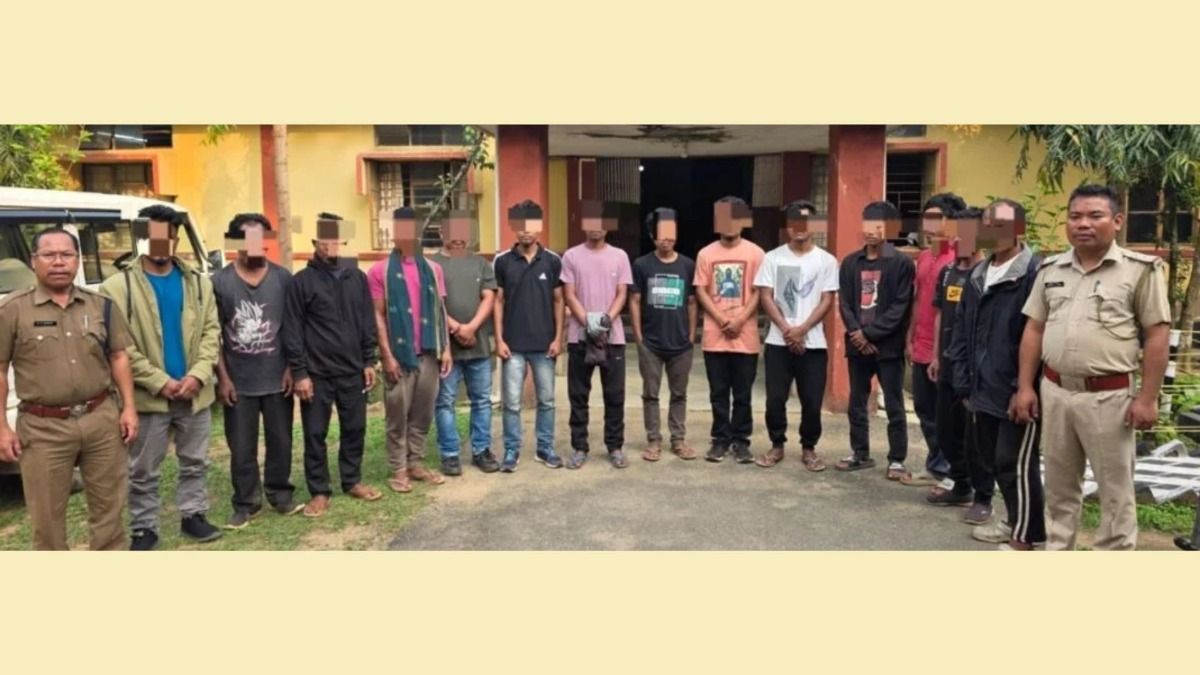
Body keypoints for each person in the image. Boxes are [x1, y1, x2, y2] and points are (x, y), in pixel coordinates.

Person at [1013, 184, 1171, 551]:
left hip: (1109, 397)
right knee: (1059, 487)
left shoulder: (1139, 271)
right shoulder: (1051, 269)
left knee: (1115, 492)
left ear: (1117, 221)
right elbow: (1034, 329)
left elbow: (1157, 336)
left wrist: (1148, 398)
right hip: (1056, 392)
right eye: (1075, 216)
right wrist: (1025, 387)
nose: (1083, 224)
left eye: (1095, 216)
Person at [0, 228, 138, 550]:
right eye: (49, 255)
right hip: (43, 427)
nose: (59, 262)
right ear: (33, 261)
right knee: (47, 521)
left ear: (78, 260)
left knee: (110, 512)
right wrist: (2, 427)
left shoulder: (101, 305)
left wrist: (129, 408)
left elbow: (119, 357)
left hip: (100, 419)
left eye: (67, 255)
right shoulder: (12, 310)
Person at [100, 205, 221, 550]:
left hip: (194, 393)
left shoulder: (199, 283)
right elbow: (119, 347)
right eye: (153, 236)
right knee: (143, 469)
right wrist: (159, 381)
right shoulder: (116, 287)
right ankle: (144, 528)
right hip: (148, 397)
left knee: (195, 461)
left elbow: (212, 332)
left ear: (176, 239)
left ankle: (193, 515)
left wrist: (198, 375)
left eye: (167, 236)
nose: (160, 243)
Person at [950, 200, 1046, 550]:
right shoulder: (978, 274)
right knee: (993, 459)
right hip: (981, 385)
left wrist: (1023, 387)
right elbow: (962, 329)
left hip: (1016, 388)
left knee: (1014, 462)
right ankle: (1013, 519)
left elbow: (1036, 334)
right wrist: (963, 380)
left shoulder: (1034, 273)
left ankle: (1028, 532)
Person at [283, 212, 382, 517]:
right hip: (317, 375)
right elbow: (292, 330)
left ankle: (352, 480)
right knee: (315, 434)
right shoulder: (301, 282)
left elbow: (367, 321)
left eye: (336, 237)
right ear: (315, 241)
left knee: (355, 428)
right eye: (325, 238)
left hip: (353, 371)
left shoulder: (357, 278)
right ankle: (319, 491)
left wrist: (369, 360)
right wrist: (300, 373)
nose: (331, 243)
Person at [213, 213, 304, 529]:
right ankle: (246, 503)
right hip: (238, 381)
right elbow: (213, 334)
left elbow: (293, 328)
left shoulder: (283, 279)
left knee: (281, 441)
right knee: (241, 446)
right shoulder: (220, 282)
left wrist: (292, 368)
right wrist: (223, 378)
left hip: (278, 378)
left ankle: (280, 494)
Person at [370, 207, 452, 493]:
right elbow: (378, 315)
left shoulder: (433, 270)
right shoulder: (379, 271)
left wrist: (446, 349)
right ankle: (398, 469)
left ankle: (415, 463)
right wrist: (387, 355)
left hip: (429, 353)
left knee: (423, 413)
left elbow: (440, 311)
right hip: (399, 356)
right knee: (397, 414)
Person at [753, 200, 838, 470]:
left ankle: (809, 448)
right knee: (775, 399)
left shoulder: (826, 261)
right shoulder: (773, 258)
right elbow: (766, 297)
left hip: (814, 344)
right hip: (778, 342)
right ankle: (777, 444)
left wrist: (802, 330)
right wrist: (787, 330)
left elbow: (827, 299)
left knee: (811, 401)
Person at [836, 201, 915, 479]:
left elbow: (900, 306)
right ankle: (860, 453)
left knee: (894, 404)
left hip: (888, 348)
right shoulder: (850, 263)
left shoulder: (901, 263)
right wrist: (857, 333)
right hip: (857, 347)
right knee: (856, 402)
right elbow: (845, 303)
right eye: (868, 225)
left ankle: (897, 460)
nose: (871, 231)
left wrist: (870, 334)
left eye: (878, 226)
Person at [924, 208, 989, 517]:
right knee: (946, 430)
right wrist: (936, 355)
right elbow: (940, 316)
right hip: (948, 364)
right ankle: (960, 484)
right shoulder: (949, 272)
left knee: (974, 435)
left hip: (974, 371)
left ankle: (982, 496)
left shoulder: (988, 275)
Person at [493, 200, 565, 472]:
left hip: (544, 345)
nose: (525, 230)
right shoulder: (502, 261)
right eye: (520, 225)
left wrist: (558, 339)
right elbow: (498, 301)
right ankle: (511, 450)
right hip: (512, 345)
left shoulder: (552, 261)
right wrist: (499, 340)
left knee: (547, 400)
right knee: (512, 402)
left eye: (530, 225)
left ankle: (545, 448)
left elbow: (559, 301)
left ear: (539, 226)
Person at [561, 201, 633, 469]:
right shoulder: (571, 256)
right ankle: (579, 447)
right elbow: (569, 294)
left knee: (614, 395)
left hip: (612, 338)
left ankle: (615, 446)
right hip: (579, 337)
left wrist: (604, 321)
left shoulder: (620, 256)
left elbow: (622, 293)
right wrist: (587, 322)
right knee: (578, 395)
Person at [694, 196, 765, 464]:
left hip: (746, 337)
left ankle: (741, 441)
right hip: (715, 335)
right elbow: (701, 290)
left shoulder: (756, 254)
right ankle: (720, 440)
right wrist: (721, 318)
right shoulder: (706, 254)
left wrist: (740, 319)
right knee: (718, 393)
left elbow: (760, 291)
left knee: (743, 394)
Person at [430, 210, 499, 476]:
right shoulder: (431, 265)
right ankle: (450, 454)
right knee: (445, 402)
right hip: (446, 350)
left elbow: (489, 298)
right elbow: (433, 303)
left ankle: (481, 450)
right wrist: (457, 327)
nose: (459, 238)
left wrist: (471, 327)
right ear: (441, 233)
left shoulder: (480, 263)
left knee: (481, 401)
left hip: (478, 347)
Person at [902, 193, 965, 486]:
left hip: (947, 349)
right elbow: (918, 300)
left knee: (947, 414)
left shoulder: (960, 258)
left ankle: (954, 471)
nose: (929, 224)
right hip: (922, 344)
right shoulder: (925, 257)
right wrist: (910, 336)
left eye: (936, 218)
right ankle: (936, 465)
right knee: (924, 409)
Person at [630, 207, 698, 462]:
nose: (666, 239)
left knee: (679, 394)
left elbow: (692, 302)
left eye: (670, 232)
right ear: (652, 235)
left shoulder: (687, 265)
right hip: (651, 343)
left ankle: (678, 439)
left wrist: (691, 336)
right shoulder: (641, 265)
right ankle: (653, 440)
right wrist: (639, 337)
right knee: (651, 394)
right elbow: (634, 300)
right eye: (660, 233)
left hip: (681, 343)